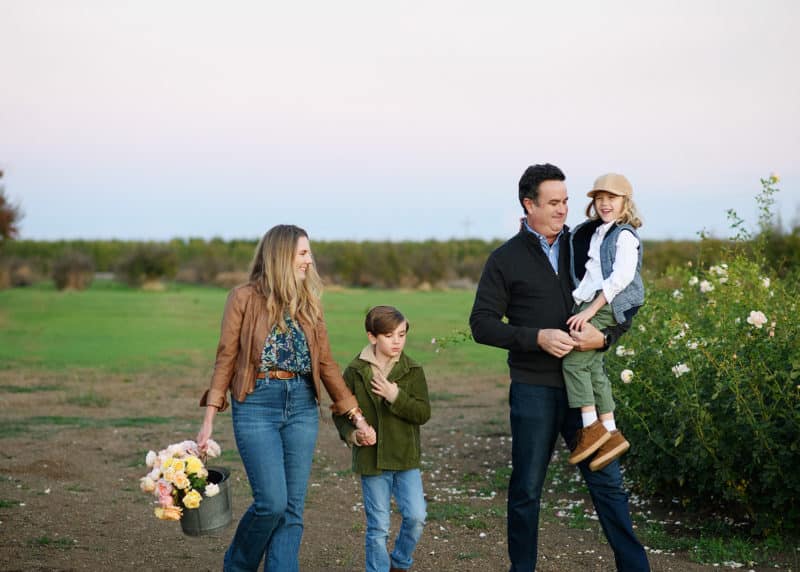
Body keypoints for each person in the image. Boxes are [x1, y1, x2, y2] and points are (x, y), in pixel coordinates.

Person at [469, 163, 650, 571]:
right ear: (528, 204)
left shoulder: (587, 240)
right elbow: (480, 325)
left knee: (608, 482)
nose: (563, 210)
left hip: (582, 387)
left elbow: (623, 295)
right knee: (527, 489)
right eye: (553, 202)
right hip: (533, 390)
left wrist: (605, 338)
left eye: (566, 201)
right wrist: (537, 337)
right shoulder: (504, 259)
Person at [196, 224, 376, 572]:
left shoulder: (309, 303)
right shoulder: (243, 297)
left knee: (293, 508)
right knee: (272, 502)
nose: (310, 260)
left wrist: (356, 415)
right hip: (256, 404)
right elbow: (226, 358)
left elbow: (325, 363)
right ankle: (237, 565)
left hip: (302, 406)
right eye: (303, 253)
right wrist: (208, 421)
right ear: (281, 256)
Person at [334, 305, 430, 572]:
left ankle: (399, 562)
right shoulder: (354, 371)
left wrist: (395, 396)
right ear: (372, 337)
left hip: (405, 458)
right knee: (378, 526)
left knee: (416, 516)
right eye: (389, 335)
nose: (397, 341)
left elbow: (423, 413)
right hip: (371, 461)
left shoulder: (413, 370)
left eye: (401, 334)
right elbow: (341, 413)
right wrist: (353, 434)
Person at [563, 173, 644, 472]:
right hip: (590, 300)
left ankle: (590, 428)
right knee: (593, 367)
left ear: (625, 202)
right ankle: (610, 433)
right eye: (599, 198)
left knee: (574, 363)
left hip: (606, 303)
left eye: (612, 198)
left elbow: (619, 279)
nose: (605, 204)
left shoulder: (624, 235)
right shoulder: (597, 232)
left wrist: (589, 310)